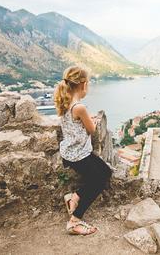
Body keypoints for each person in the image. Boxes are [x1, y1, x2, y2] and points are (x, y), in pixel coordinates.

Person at [53, 65, 112, 235]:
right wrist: (90, 120)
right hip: (79, 154)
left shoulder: (66, 102)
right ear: (84, 84)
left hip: (71, 152)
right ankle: (75, 221)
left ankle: (74, 197)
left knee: (104, 173)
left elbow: (77, 123)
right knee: (100, 178)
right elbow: (92, 129)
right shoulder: (79, 108)